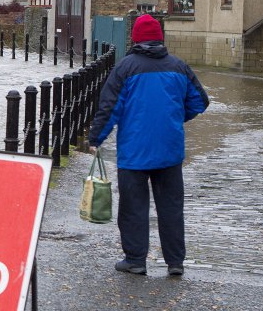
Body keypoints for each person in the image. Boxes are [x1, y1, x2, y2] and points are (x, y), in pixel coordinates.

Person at [88, 14, 209, 277]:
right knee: (171, 207)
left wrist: (96, 138)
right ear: (160, 38)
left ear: (135, 39)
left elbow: (109, 108)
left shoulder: (125, 68)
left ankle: (135, 260)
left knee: (133, 207)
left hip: (134, 152)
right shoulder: (179, 67)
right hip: (170, 150)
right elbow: (200, 102)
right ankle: (175, 262)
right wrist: (175, 118)